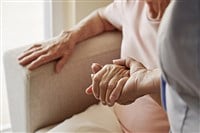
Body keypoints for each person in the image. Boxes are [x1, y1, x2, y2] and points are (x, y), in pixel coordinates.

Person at [18, 0, 170, 132]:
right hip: (114, 117)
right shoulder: (131, 3)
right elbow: (103, 17)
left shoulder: (188, 24)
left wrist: (142, 84)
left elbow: (186, 102)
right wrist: (70, 36)